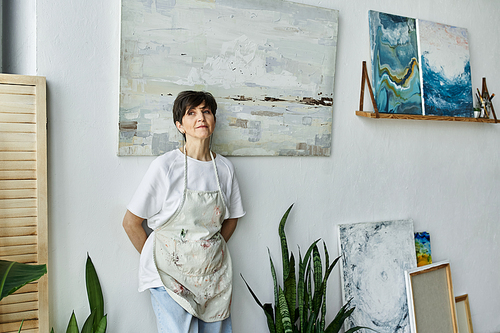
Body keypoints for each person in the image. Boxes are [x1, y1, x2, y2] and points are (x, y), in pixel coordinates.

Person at [123, 91, 245, 333]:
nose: (201, 117)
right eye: (192, 113)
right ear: (180, 125)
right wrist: (166, 259)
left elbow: (231, 219)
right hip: (170, 278)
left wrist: (205, 252)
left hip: (212, 276)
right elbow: (131, 222)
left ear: (214, 120)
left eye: (206, 111)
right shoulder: (165, 167)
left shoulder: (225, 169)